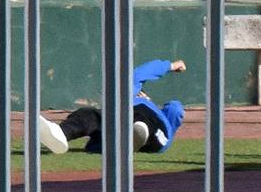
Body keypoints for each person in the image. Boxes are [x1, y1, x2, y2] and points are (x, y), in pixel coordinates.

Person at [36, 58, 189, 155]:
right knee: (91, 116)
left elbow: (139, 75)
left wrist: (170, 65)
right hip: (148, 138)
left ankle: (135, 134)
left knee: (133, 116)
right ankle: (61, 134)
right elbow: (175, 110)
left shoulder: (140, 99)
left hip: (151, 129)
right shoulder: (133, 104)